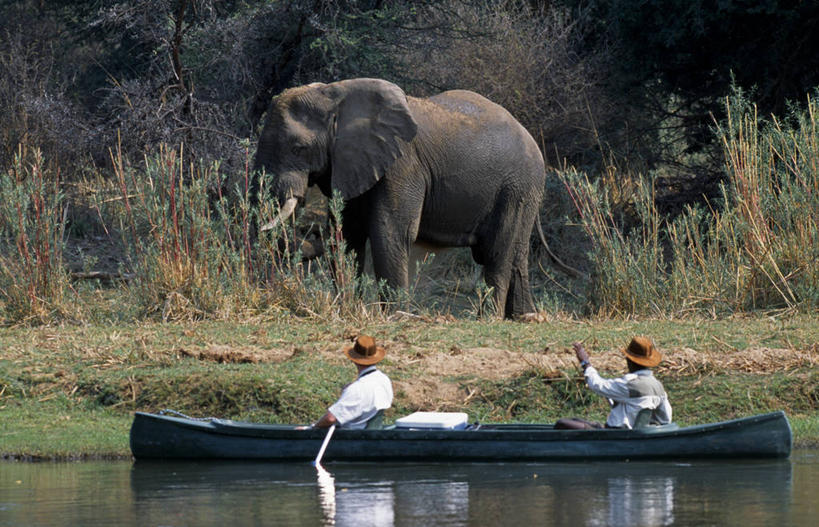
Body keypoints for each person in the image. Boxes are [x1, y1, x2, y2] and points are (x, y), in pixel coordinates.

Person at [555, 336, 672, 430]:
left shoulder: (630, 385)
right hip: (634, 432)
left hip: (619, 433)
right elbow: (666, 419)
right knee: (576, 421)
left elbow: (597, 384)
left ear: (630, 361)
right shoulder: (658, 386)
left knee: (562, 423)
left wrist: (585, 363)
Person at [308, 334, 393, 430]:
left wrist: (313, 428)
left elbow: (330, 418)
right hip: (373, 436)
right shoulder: (384, 380)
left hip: (354, 437)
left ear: (354, 360)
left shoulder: (357, 389)